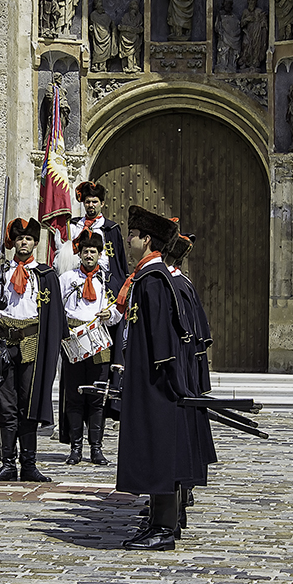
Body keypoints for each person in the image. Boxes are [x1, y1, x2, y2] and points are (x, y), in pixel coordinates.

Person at [115, 204, 197, 551]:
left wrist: (166, 380)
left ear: (146, 239)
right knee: (153, 449)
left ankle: (163, 527)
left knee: (160, 450)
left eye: (133, 235)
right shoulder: (147, 277)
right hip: (146, 377)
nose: (129, 240)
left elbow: (162, 336)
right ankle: (156, 522)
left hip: (155, 381)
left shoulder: (154, 280)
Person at [0, 218, 65, 482]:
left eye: (28, 239)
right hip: (3, 344)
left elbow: (54, 318)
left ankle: (29, 462)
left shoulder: (46, 276)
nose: (23, 242)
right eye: (19, 238)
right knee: (7, 405)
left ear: (35, 243)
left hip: (32, 343)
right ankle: (7, 462)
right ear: (13, 242)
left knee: (29, 403)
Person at [57, 230, 122, 466]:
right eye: (85, 251)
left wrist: (110, 313)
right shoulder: (66, 279)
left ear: (99, 254)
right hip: (74, 342)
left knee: (97, 398)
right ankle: (75, 449)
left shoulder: (107, 280)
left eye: (93, 251)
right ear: (79, 254)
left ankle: (97, 448)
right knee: (74, 397)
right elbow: (57, 309)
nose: (88, 256)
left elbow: (118, 312)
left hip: (99, 342)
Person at [164, 232, 217, 516]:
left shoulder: (174, 285)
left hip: (179, 374)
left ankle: (178, 497)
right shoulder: (177, 282)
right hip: (184, 373)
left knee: (179, 435)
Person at [55, 181, 128, 294]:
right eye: (88, 202)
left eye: (95, 202)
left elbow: (119, 259)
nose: (91, 205)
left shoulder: (111, 228)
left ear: (102, 204)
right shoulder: (73, 226)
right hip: (76, 278)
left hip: (102, 279)